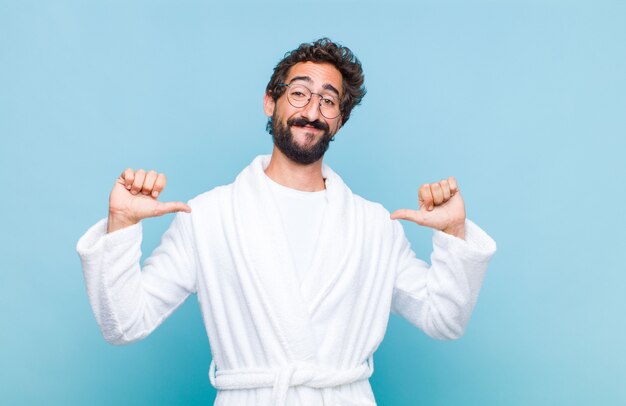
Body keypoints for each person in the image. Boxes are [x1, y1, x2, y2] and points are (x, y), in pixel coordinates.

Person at [77, 38, 496, 406]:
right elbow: (124, 323)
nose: (311, 111)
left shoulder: (374, 227)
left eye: (328, 101)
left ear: (339, 121)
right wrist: (122, 224)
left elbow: (444, 320)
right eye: (299, 93)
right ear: (270, 101)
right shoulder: (209, 217)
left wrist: (453, 235)